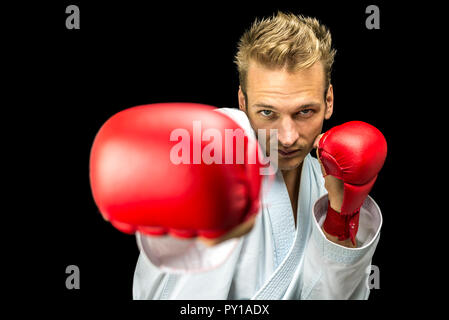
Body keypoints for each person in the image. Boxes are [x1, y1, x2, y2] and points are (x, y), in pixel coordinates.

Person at [96, 12, 386, 299]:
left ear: (329, 101)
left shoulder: (329, 180)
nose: (286, 136)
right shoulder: (217, 155)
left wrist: (339, 216)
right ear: (242, 102)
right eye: (267, 113)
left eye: (304, 112)